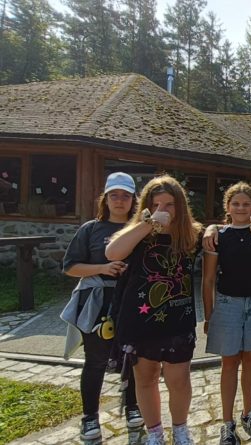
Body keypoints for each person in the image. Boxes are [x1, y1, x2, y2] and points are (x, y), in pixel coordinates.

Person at [105, 175, 203, 445]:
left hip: (178, 320)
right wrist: (148, 224)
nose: (163, 210)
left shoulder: (193, 234)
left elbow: (215, 236)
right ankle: (155, 433)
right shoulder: (139, 231)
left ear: (180, 206)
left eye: (169, 204)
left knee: (179, 380)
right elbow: (112, 252)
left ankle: (180, 430)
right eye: (156, 204)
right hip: (141, 320)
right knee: (145, 379)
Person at [61, 172, 142, 443]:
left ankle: (133, 406)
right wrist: (103, 268)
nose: (119, 200)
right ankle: (89, 417)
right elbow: (70, 267)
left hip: (132, 302)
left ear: (133, 200)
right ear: (105, 199)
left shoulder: (140, 229)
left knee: (133, 357)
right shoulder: (90, 229)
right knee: (95, 361)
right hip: (98, 302)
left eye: (125, 196)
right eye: (114, 195)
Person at [202, 182, 251, 445]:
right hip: (228, 304)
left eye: (246, 204)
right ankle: (227, 422)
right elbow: (208, 279)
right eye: (235, 203)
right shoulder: (219, 235)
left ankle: (248, 412)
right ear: (227, 207)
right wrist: (209, 315)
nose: (241, 208)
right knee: (228, 363)